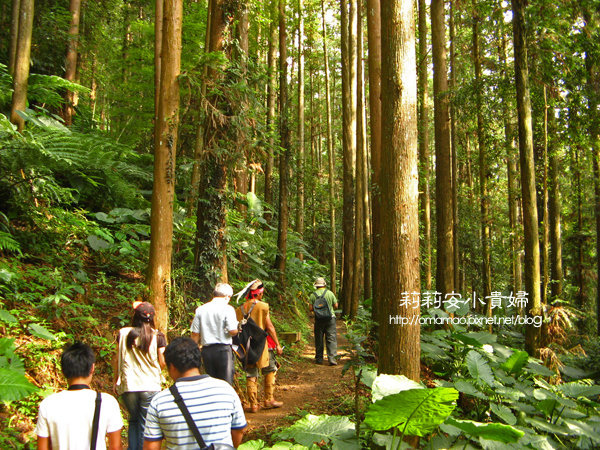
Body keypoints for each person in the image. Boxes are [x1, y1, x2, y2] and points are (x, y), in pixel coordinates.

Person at [143, 337, 247, 449]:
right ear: (198, 360)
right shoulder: (226, 390)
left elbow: (151, 447)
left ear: (171, 366)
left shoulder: (159, 402)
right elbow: (239, 430)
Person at [36, 342, 123, 450]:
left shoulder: (48, 404)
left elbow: (42, 448)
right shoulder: (107, 402)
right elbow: (115, 447)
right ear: (92, 368)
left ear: (63, 370)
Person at [112, 301, 166, 450]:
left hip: (129, 384)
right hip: (150, 385)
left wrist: (115, 379)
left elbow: (116, 358)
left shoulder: (123, 333)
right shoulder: (158, 335)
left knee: (133, 420)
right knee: (145, 423)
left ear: (135, 316)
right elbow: (162, 362)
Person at [235, 279, 283, 413]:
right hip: (263, 345)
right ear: (259, 293)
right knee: (270, 370)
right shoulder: (263, 306)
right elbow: (270, 327)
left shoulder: (240, 309)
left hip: (247, 346)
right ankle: (269, 399)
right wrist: (278, 345)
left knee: (251, 373)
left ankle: (253, 404)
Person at [190, 282, 239, 385]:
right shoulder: (228, 309)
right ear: (227, 296)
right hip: (223, 351)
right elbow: (232, 331)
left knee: (211, 384)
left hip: (207, 352)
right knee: (225, 384)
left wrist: (194, 352)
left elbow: (195, 333)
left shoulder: (201, 309)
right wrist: (238, 329)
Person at [309, 277, 338, 366]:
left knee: (319, 339)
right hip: (330, 318)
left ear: (316, 286)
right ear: (324, 284)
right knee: (331, 338)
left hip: (318, 319)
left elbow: (310, 308)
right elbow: (336, 306)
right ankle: (332, 359)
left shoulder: (313, 295)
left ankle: (319, 359)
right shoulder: (330, 293)